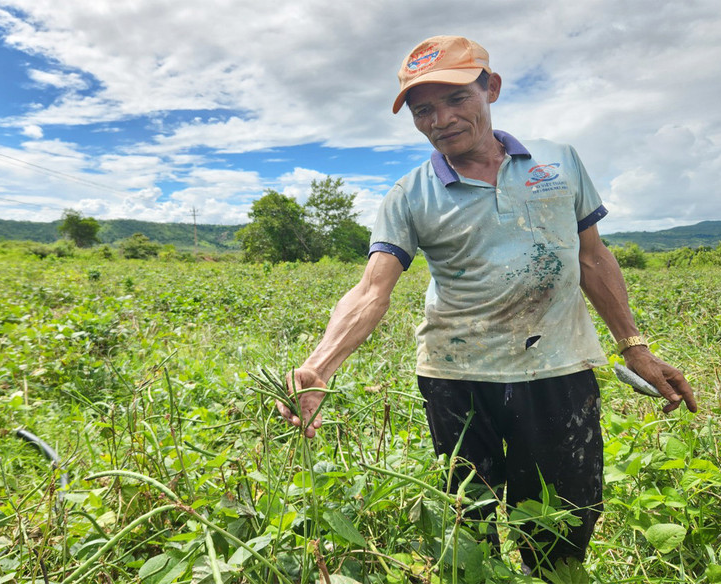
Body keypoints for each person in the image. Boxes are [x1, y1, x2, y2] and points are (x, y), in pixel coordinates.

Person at [276, 35, 698, 577]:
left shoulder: (559, 163)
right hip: (456, 376)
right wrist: (319, 366)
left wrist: (635, 347)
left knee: (565, 520)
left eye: (456, 99)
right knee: (468, 518)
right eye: (423, 109)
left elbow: (593, 259)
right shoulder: (410, 194)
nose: (441, 119)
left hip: (558, 369)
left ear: (491, 88)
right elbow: (370, 290)